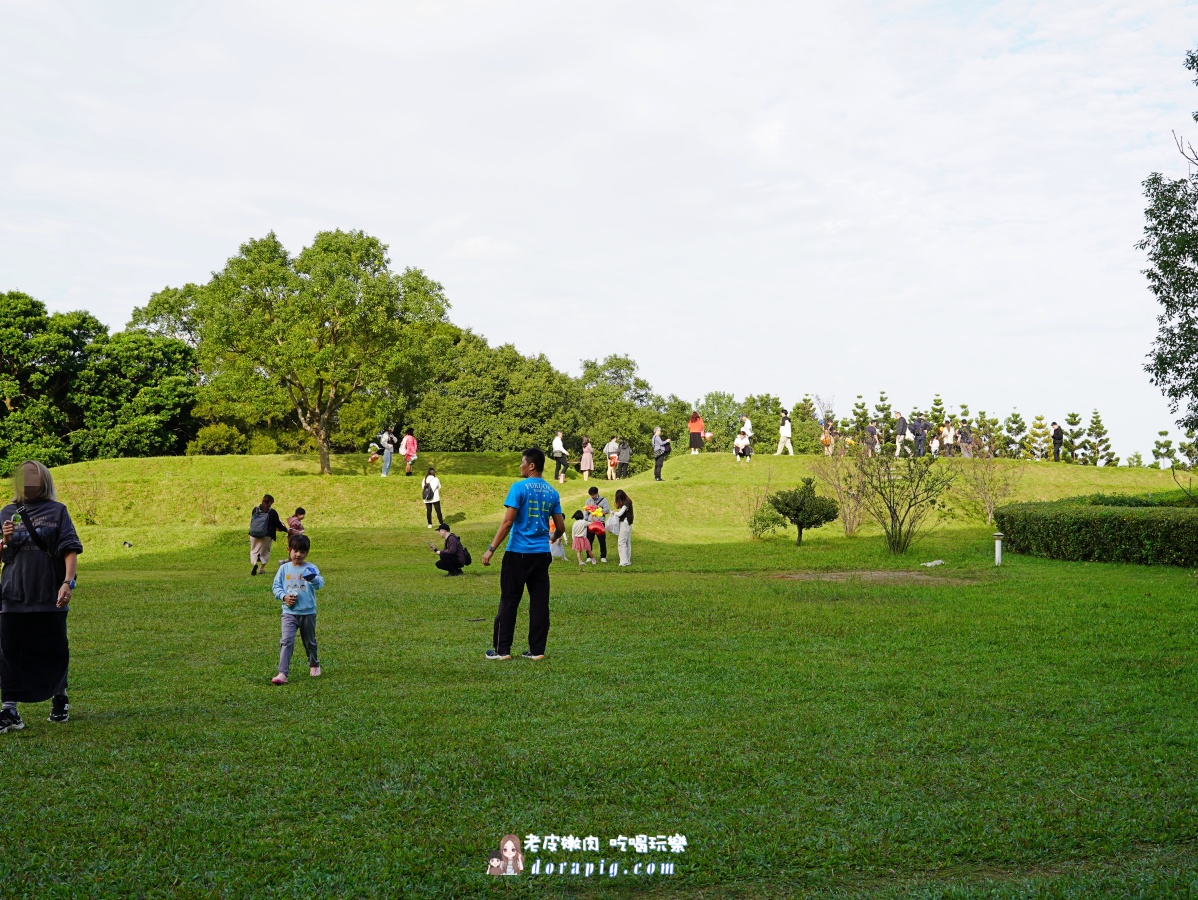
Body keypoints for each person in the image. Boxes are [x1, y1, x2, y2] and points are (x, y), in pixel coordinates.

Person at [0, 461, 82, 732]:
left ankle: (60, 699)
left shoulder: (57, 511)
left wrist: (68, 582)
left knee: (54, 648)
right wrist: (4, 541)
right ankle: (10, 710)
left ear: (44, 480)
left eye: (33, 475)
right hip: (13, 593)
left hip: (49, 593)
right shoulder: (7, 512)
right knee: (10, 651)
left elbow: (69, 548)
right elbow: (3, 556)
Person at [481, 448, 566, 661]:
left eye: (522, 462)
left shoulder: (518, 488)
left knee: (509, 601)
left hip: (517, 553)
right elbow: (561, 526)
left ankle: (502, 651)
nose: (520, 466)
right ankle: (537, 651)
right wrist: (552, 537)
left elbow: (508, 522)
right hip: (541, 554)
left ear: (531, 466)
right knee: (539, 602)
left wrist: (491, 549)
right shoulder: (552, 492)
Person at [270, 534, 324, 684]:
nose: (298, 554)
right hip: (289, 613)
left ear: (307, 553)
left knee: (310, 642)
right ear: (289, 550)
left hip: (307, 612)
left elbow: (320, 584)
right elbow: (276, 587)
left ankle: (314, 664)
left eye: (302, 552)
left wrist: (313, 579)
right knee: (286, 641)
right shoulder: (284, 569)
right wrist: (284, 597)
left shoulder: (310, 568)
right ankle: (282, 673)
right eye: (295, 550)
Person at [249, 494, 285, 576]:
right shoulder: (272, 512)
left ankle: (255, 564)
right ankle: (261, 569)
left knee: (254, 551)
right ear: (270, 503)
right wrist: (286, 530)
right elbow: (278, 525)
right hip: (266, 535)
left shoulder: (255, 509)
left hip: (253, 534)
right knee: (265, 553)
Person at [584, 485, 610, 562]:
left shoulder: (603, 500)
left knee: (602, 540)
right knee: (589, 540)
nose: (592, 496)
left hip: (600, 523)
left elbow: (607, 510)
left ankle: (603, 556)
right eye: (591, 495)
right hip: (590, 523)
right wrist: (585, 521)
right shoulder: (588, 501)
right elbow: (585, 511)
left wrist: (598, 512)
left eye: (593, 495)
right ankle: (588, 556)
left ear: (597, 493)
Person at [612, 489, 634, 566]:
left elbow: (620, 513)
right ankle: (627, 560)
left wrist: (614, 513)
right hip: (628, 525)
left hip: (625, 524)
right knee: (627, 542)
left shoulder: (626, 504)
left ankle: (624, 561)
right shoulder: (628, 502)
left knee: (621, 542)